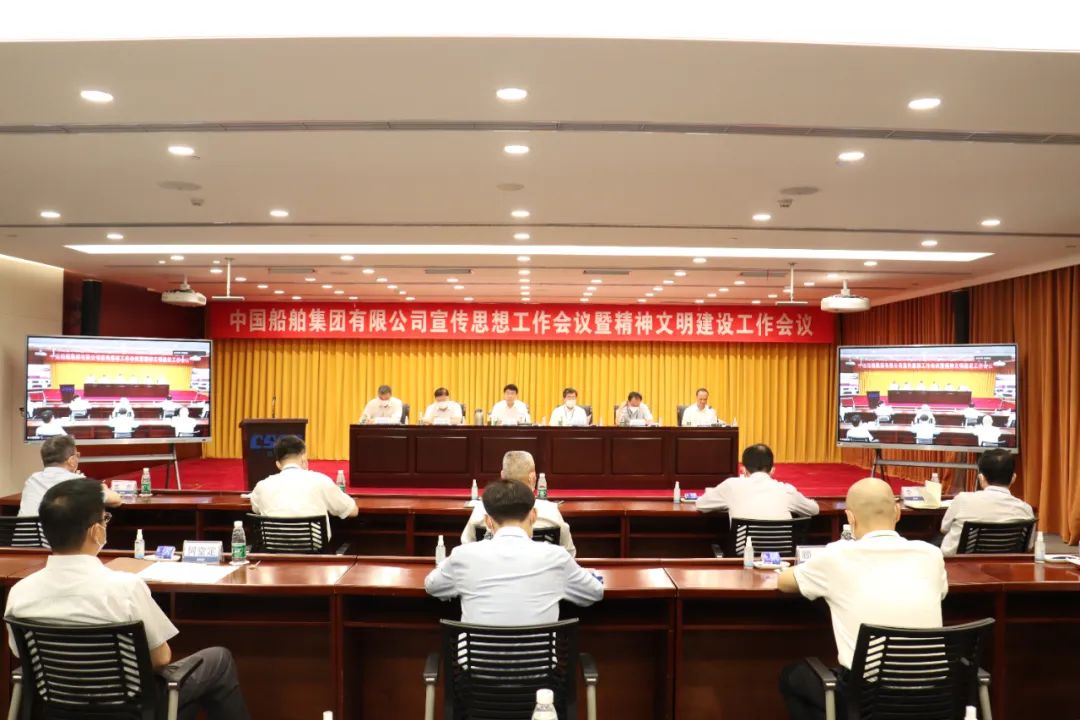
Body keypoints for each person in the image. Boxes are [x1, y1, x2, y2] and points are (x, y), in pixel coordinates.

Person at [5, 478, 251, 719]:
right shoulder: (125, 588)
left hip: (56, 710)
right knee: (218, 661)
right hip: (130, 710)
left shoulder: (20, 592)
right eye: (105, 518)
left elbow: (22, 655)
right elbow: (160, 658)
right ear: (96, 531)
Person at [777, 477, 947, 720]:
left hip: (868, 704)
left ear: (850, 518)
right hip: (936, 701)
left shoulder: (837, 556)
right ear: (898, 512)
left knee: (793, 676)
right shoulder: (931, 555)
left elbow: (784, 582)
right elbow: (941, 592)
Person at [425, 479, 602, 625]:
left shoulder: (462, 556)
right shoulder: (557, 557)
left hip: (476, 658)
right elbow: (594, 592)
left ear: (488, 521)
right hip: (540, 658)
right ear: (533, 515)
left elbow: (432, 585)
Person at [460, 450, 576, 556]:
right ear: (533, 478)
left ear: (502, 476)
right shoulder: (551, 511)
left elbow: (467, 548)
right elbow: (569, 553)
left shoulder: (481, 509)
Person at [250, 435, 358, 535]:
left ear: (278, 464)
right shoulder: (320, 480)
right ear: (303, 458)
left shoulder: (262, 486)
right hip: (314, 549)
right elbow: (352, 511)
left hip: (273, 548)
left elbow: (256, 509)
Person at [939, 449, 1033, 556]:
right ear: (1013, 478)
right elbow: (1029, 546)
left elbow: (944, 528)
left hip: (957, 564)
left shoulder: (962, 499)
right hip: (1005, 565)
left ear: (981, 478)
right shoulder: (1026, 509)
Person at [697, 444, 819, 519]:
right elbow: (814, 509)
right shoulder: (786, 490)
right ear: (772, 470)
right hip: (781, 554)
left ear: (743, 470)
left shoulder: (731, 486)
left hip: (744, 553)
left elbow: (701, 504)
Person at [19, 435, 121, 517]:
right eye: (77, 455)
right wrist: (102, 487)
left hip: (22, 537)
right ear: (71, 460)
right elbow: (116, 500)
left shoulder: (32, 479)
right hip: (56, 538)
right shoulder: (78, 483)